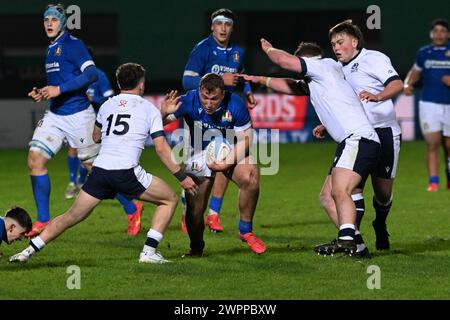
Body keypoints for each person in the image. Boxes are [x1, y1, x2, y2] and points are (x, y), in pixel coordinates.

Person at [9, 63, 198, 264]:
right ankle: (149, 252)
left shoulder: (107, 105)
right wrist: (181, 177)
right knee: (169, 199)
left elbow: (96, 136)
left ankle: (28, 251)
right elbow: (161, 149)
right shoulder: (148, 109)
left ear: (118, 83)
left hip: (100, 171)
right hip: (126, 172)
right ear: (141, 85)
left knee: (71, 216)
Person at [243, 39, 380, 255]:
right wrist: (260, 79)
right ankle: (357, 244)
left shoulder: (321, 65)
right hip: (353, 141)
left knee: (340, 190)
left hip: (358, 139)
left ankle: (346, 241)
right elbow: (292, 86)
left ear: (306, 61)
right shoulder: (325, 74)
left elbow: (283, 61)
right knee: (327, 197)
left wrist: (269, 49)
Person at [27, 4, 143, 237]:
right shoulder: (51, 49)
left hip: (80, 116)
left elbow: (90, 75)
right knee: (34, 160)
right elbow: (60, 84)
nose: (49, 23)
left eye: (54, 19)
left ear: (64, 22)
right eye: (46, 19)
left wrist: (58, 89)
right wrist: (44, 92)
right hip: (55, 115)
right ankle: (43, 221)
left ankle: (133, 207)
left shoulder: (73, 45)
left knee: (97, 170)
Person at [311, 20, 403, 255]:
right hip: (357, 136)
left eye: (340, 42)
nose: (336, 47)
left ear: (355, 41)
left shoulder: (374, 58)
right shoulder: (337, 69)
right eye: (333, 44)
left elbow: (397, 83)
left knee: (382, 194)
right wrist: (325, 123)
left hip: (383, 131)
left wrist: (378, 96)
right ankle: (353, 240)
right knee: (348, 189)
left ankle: (380, 223)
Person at [161, 73, 266, 256]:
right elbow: (159, 125)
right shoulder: (188, 100)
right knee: (194, 212)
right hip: (199, 154)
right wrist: (163, 113)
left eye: (214, 99)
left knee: (250, 177)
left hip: (230, 148)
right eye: (205, 98)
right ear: (199, 92)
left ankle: (245, 230)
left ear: (223, 94)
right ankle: (196, 247)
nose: (208, 103)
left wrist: (226, 163)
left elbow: (247, 139)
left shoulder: (235, 104)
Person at [181, 8, 257, 233]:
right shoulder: (202, 49)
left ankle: (213, 214)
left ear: (232, 28)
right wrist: (217, 81)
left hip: (224, 118)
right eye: (219, 23)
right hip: (199, 119)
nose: (223, 28)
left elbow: (239, 74)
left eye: (228, 24)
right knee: (197, 172)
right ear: (212, 26)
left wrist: (248, 89)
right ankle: (190, 213)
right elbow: (186, 81)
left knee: (224, 163)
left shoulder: (237, 52)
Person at [404, 19, 450, 192]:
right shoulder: (424, 53)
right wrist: (407, 84)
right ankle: (433, 182)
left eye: (442, 31)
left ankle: (448, 175)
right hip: (429, 104)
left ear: (448, 34)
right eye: (436, 31)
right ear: (431, 34)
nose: (439, 34)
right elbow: (414, 72)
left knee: (449, 146)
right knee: (433, 144)